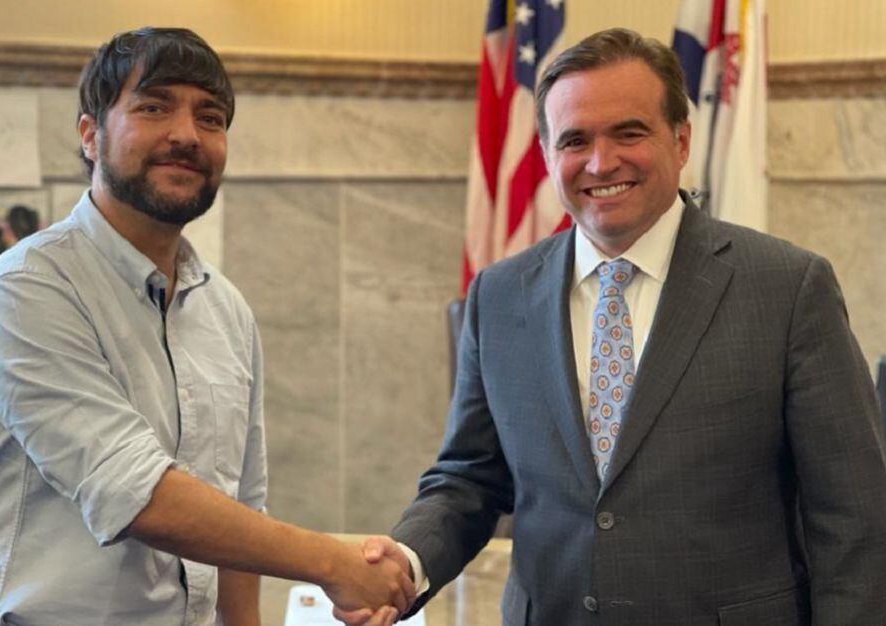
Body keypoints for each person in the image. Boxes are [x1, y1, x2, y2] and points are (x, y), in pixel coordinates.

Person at [339, 28, 886, 626]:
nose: (602, 162)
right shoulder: (498, 295)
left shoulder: (786, 287)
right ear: (548, 156)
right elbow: (469, 479)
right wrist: (406, 564)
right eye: (575, 140)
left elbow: (853, 518)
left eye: (630, 132)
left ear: (681, 141)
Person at [0, 27, 412, 626]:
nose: (186, 135)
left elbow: (240, 507)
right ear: (91, 135)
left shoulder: (227, 309)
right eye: (153, 106)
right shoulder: (29, 288)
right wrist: (333, 563)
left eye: (210, 118)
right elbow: (136, 494)